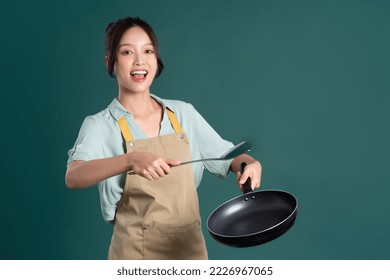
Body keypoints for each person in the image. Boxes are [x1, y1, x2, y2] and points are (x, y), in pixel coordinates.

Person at [65, 16, 262, 260]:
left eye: (148, 51)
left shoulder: (183, 113)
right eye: (127, 52)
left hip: (190, 254)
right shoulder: (99, 125)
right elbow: (74, 176)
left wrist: (248, 164)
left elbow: (226, 156)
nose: (139, 61)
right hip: (134, 258)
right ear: (111, 62)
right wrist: (131, 160)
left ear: (156, 61)